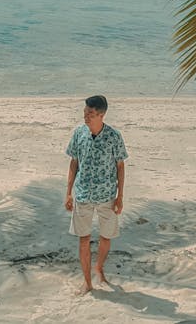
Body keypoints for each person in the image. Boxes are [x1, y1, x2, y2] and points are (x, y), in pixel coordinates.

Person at [65, 94, 128, 293]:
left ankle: (99, 267)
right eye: (85, 112)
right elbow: (74, 163)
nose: (85, 116)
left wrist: (120, 197)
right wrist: (68, 192)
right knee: (83, 239)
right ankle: (87, 282)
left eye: (90, 113)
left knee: (106, 237)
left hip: (107, 196)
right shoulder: (78, 133)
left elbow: (120, 166)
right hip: (83, 194)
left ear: (101, 114)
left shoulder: (114, 136)